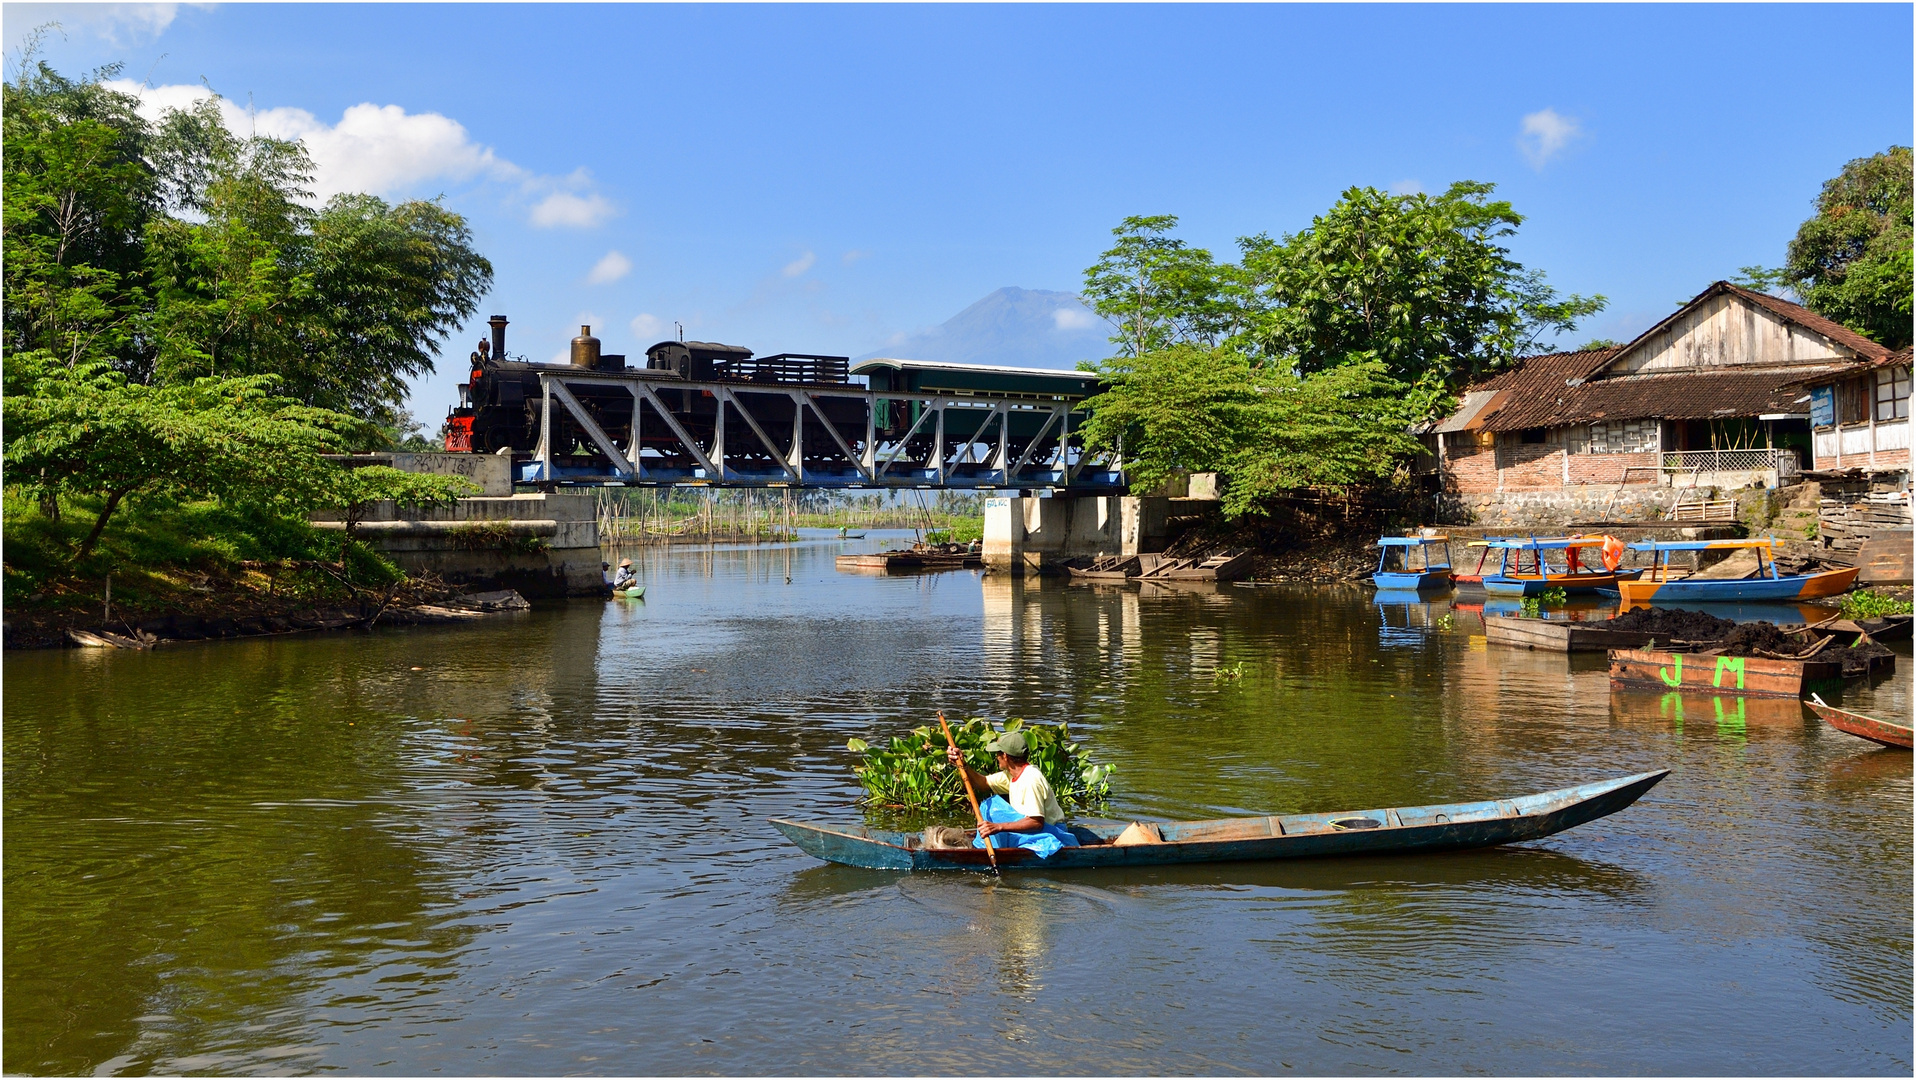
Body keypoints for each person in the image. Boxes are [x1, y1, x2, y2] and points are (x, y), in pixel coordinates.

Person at [945, 730, 1080, 857]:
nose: (996, 757)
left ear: (1005, 756)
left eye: (998, 753)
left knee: (995, 812)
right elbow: (983, 783)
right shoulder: (1011, 774)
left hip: (1049, 832)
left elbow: (1036, 822)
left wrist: (998, 827)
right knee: (990, 804)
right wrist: (963, 765)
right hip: (1033, 829)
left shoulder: (1031, 779)